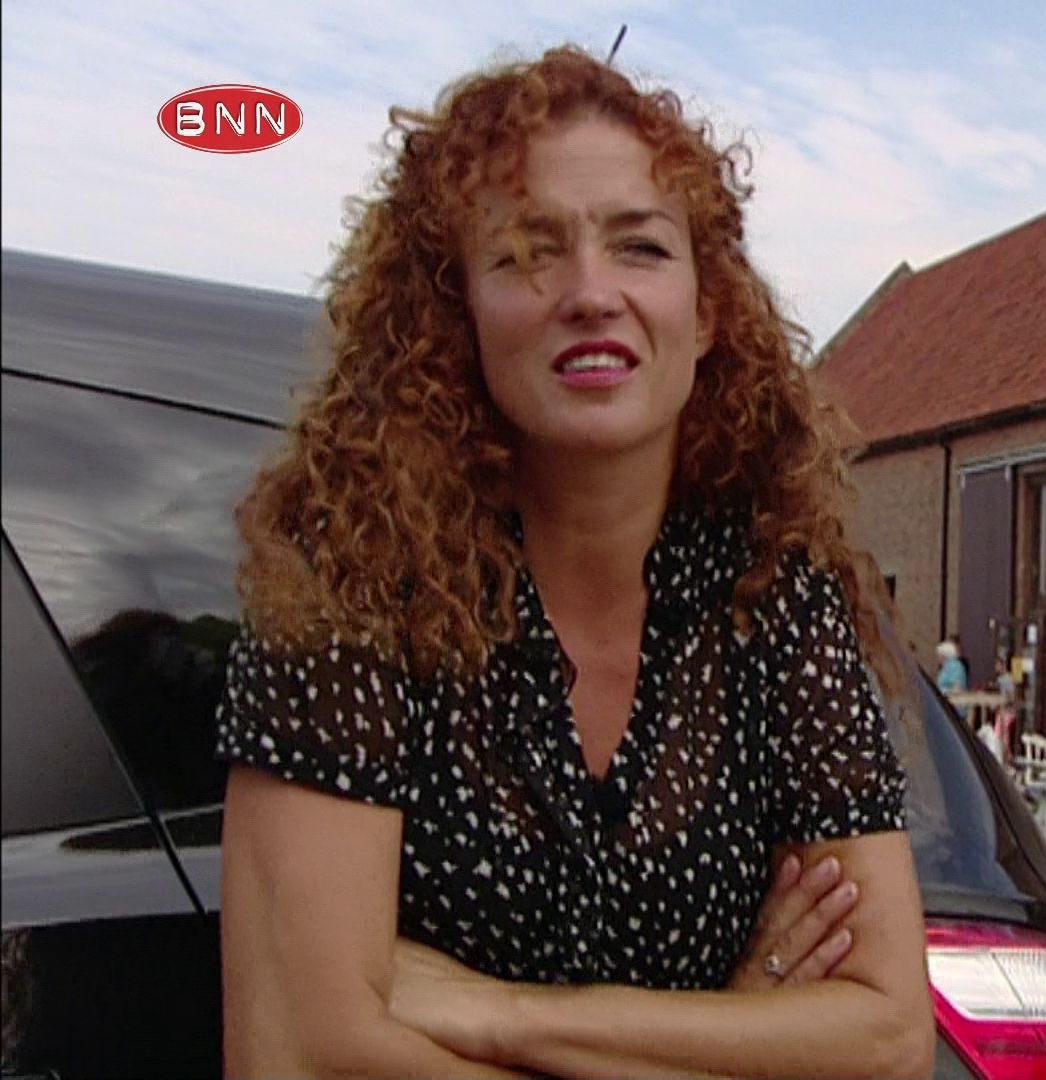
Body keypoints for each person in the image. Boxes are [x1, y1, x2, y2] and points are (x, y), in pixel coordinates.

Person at [214, 46, 933, 1079]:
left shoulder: (772, 598)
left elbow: (888, 1039)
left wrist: (501, 1013)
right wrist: (732, 1040)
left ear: (707, 311)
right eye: (526, 252)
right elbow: (298, 1057)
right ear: (456, 312)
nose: (592, 293)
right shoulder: (356, 583)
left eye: (640, 247)